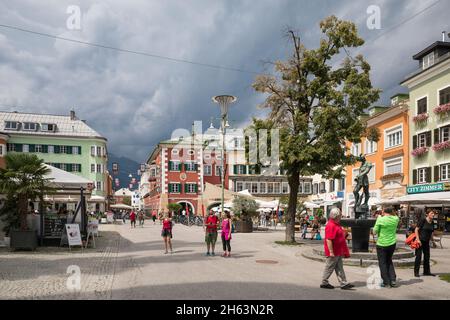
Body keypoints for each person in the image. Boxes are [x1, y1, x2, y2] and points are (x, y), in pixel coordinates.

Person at [320, 207, 353, 290]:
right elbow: (329, 239)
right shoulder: (331, 225)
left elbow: (337, 236)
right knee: (329, 267)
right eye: (340, 215)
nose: (341, 216)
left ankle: (343, 283)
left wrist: (344, 235)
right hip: (333, 251)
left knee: (339, 267)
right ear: (336, 216)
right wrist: (331, 251)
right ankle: (324, 282)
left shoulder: (335, 224)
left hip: (337, 250)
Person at [373, 207, 400, 288]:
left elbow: (374, 231)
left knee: (383, 263)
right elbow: (395, 215)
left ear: (383, 211)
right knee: (389, 261)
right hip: (392, 243)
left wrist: (379, 218)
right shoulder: (396, 219)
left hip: (382, 244)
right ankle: (393, 280)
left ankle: (386, 282)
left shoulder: (380, 219)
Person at [414, 209, 436, 277]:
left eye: (434, 213)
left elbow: (431, 233)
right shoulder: (423, 220)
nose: (433, 214)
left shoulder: (432, 222)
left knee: (427, 257)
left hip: (427, 242)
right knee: (418, 257)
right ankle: (416, 272)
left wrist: (433, 241)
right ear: (427, 214)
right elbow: (416, 229)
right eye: (432, 213)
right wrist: (418, 239)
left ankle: (426, 272)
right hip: (420, 241)